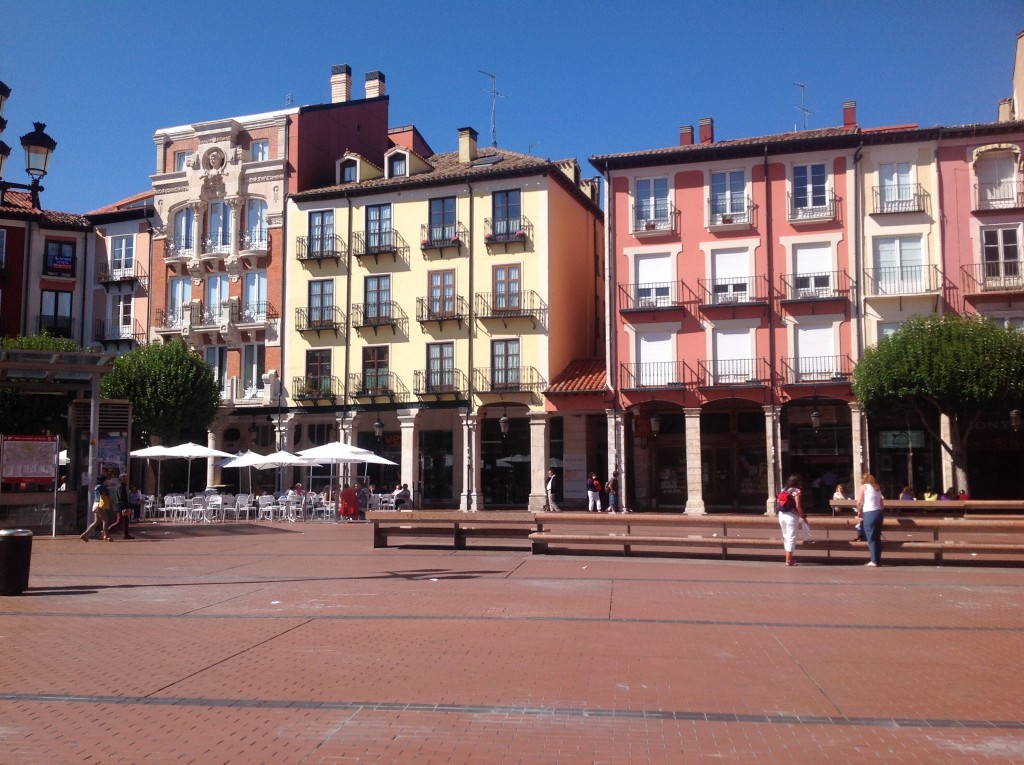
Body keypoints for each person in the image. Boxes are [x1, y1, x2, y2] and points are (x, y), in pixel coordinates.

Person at [777, 474, 807, 567]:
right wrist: (803, 515)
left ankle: (789, 558)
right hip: (791, 516)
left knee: (786, 536)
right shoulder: (796, 491)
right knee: (791, 537)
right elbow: (798, 505)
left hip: (781, 515)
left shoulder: (784, 489)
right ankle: (788, 560)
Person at [856, 472, 885, 567]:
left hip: (869, 512)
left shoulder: (863, 487)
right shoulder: (877, 488)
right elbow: (882, 504)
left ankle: (874, 561)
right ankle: (878, 559)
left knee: (871, 538)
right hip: (879, 513)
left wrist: (859, 513)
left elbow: (859, 502)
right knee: (877, 538)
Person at [107, 473, 135, 540]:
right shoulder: (121, 486)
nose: (127, 479)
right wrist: (125, 507)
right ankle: (107, 530)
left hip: (121, 506)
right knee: (119, 521)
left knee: (126, 520)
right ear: (122, 478)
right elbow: (121, 498)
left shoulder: (121, 486)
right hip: (120, 506)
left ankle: (126, 534)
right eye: (125, 478)